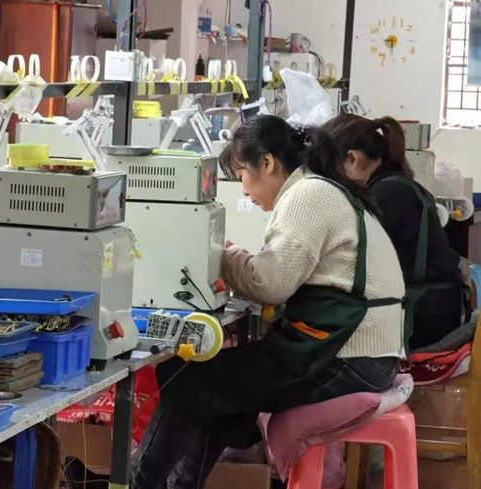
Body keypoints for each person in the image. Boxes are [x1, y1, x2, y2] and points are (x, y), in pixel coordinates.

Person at [131, 115, 405, 489]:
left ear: (268, 163)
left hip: (347, 360)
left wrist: (217, 253)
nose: (244, 190)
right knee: (221, 389)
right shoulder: (321, 188)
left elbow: (269, 284)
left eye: (242, 174)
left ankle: (140, 483)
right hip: (359, 355)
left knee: (187, 376)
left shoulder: (309, 194)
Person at [323, 115, 469, 350]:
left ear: (352, 159)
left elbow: (350, 259)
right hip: (437, 308)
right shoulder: (397, 185)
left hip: (422, 317)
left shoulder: (387, 195)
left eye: (329, 169)